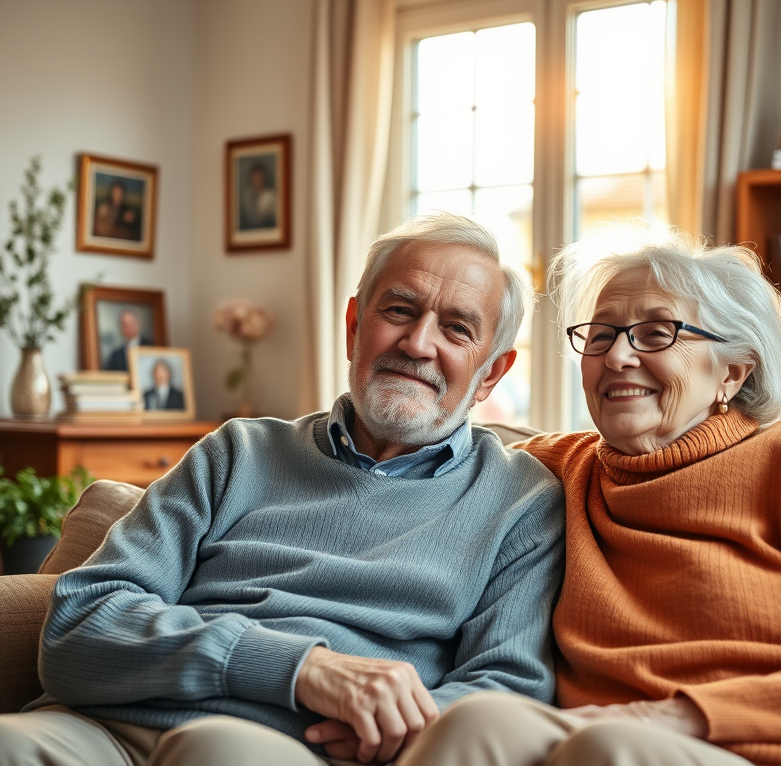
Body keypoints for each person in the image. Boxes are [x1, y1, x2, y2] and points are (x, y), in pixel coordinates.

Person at [397, 227, 781, 766]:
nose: (617, 356)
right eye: (600, 335)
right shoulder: (554, 470)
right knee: (473, 725)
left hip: (745, 748)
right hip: (595, 741)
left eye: (657, 332)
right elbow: (412, 459)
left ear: (733, 373)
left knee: (611, 748)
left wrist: (681, 715)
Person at [0, 211, 565, 766]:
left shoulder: (520, 501)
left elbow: (506, 689)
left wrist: (403, 723)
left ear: (491, 371)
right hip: (103, 729)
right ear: (353, 326)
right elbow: (79, 625)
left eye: (456, 329)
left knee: (219, 752)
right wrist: (301, 668)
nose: (417, 343)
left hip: (279, 746)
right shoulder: (238, 452)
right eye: (399, 310)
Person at [103, 307, 153, 372]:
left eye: (130, 323)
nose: (128, 328)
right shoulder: (116, 355)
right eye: (125, 325)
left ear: (137, 324)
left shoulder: (150, 347)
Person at [239, 162, 278, 229]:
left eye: (259, 177)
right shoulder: (246, 197)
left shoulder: (271, 196)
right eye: (254, 177)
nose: (257, 180)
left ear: (263, 178)